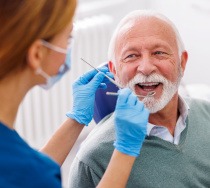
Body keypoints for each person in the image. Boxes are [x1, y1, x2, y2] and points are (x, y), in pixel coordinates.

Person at [0, 1, 149, 187]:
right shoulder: (33, 172)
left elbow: (21, 176)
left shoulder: (20, 164)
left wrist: (77, 118)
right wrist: (126, 150)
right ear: (37, 54)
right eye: (68, 39)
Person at [68, 9, 210, 188]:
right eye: (131, 56)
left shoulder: (207, 113)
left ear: (182, 62)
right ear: (115, 71)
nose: (146, 68)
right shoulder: (93, 161)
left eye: (159, 52)